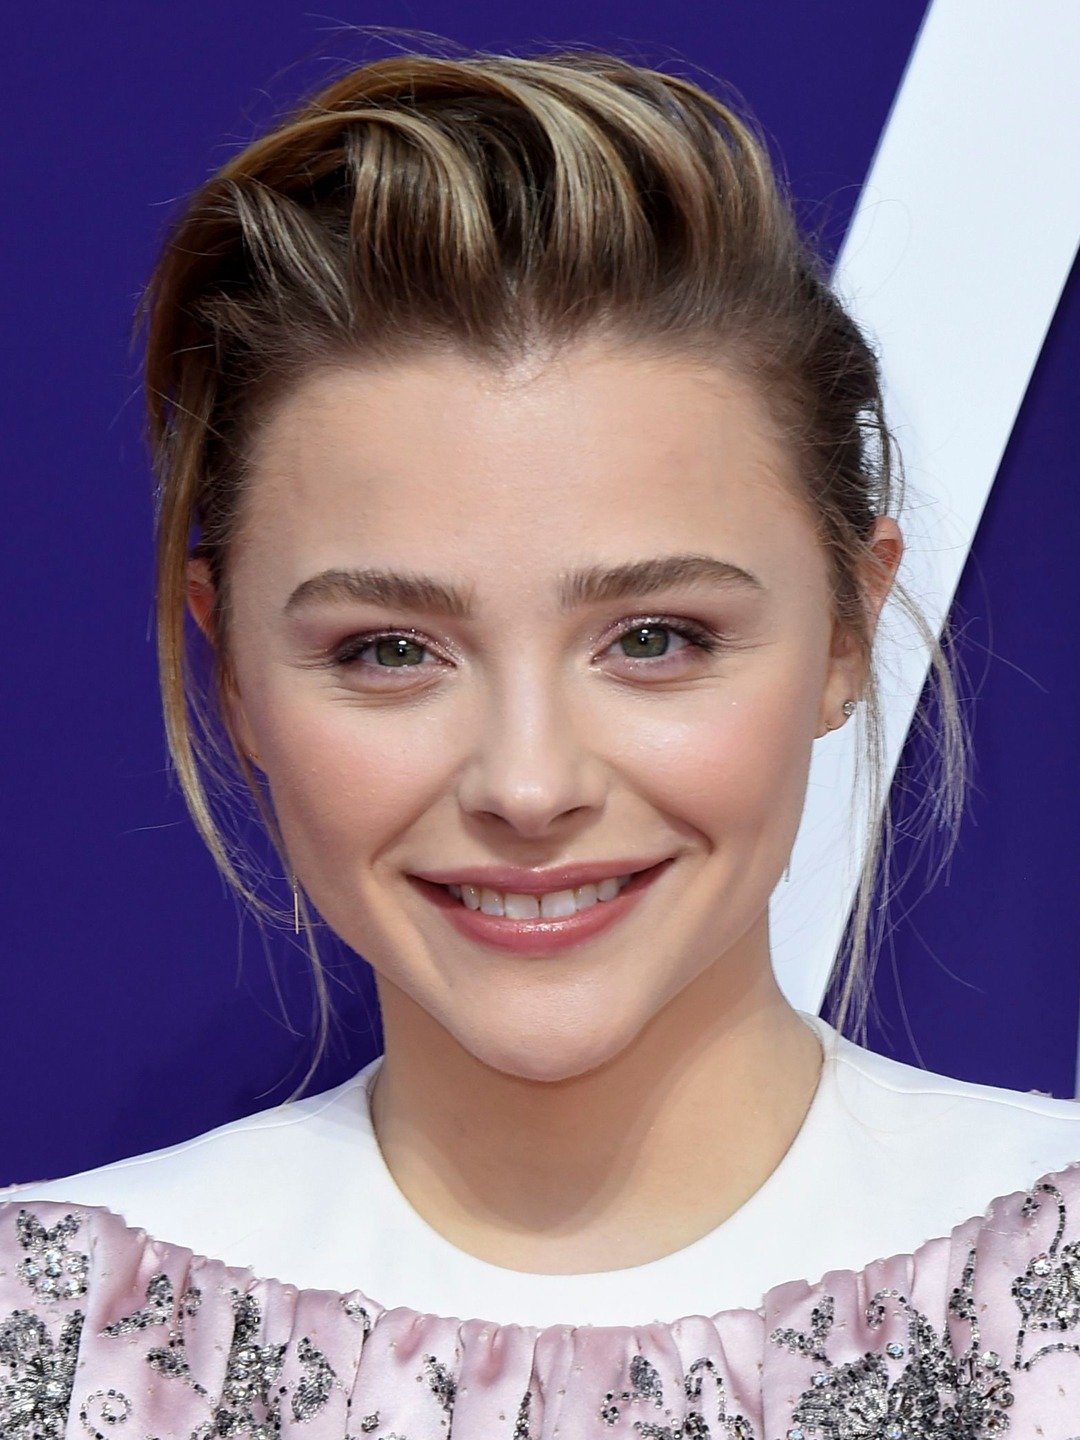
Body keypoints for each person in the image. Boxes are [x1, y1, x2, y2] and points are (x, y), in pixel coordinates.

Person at [2, 44, 1079, 1438]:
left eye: (655, 638)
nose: (528, 784)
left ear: (844, 635)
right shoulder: (47, 1340)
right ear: (235, 677)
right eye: (390, 651)